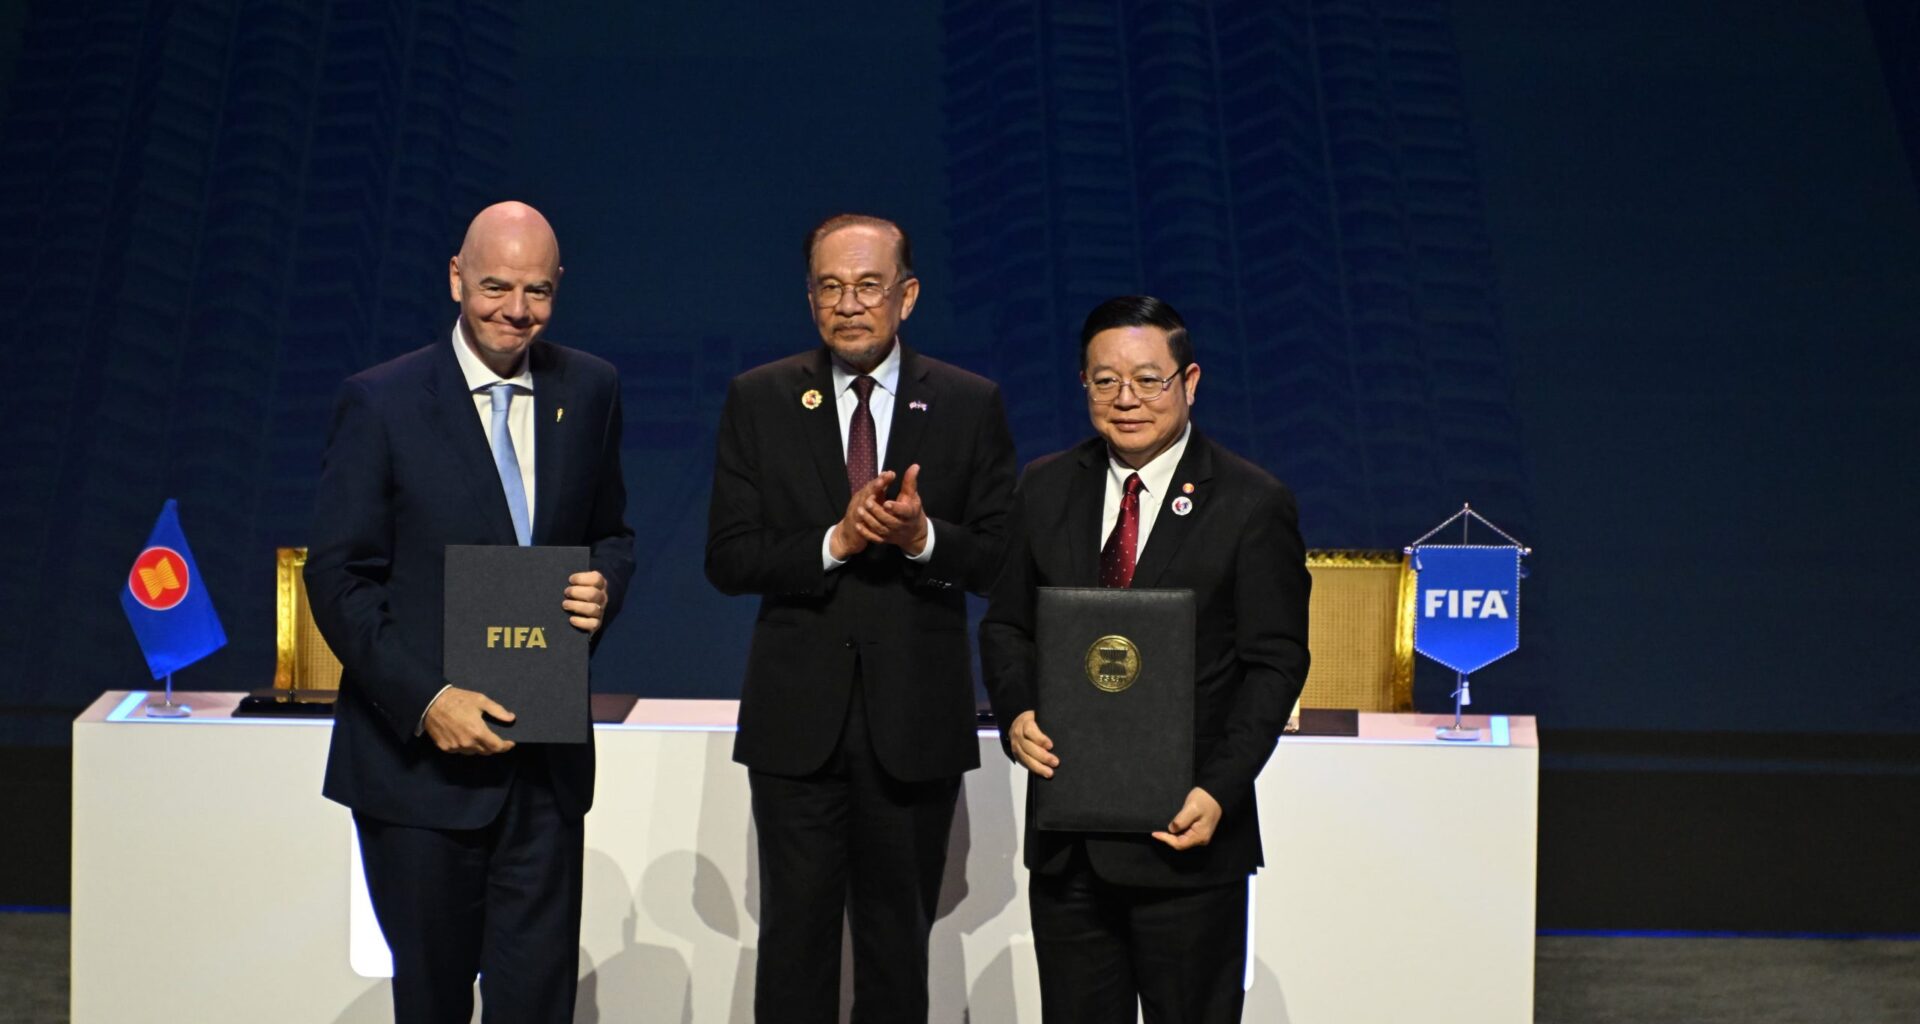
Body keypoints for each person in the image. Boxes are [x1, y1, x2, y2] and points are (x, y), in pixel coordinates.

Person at [306, 201, 635, 1023]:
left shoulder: (589, 388)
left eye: (536, 292)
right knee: (433, 1003)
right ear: (456, 277)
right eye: (494, 286)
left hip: (544, 771)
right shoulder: (380, 402)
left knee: (537, 1006)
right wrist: (428, 700)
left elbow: (614, 535)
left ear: (558, 288)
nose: (514, 311)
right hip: (419, 774)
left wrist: (603, 584)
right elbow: (339, 579)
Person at [705, 213, 1017, 1021]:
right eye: (830, 287)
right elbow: (729, 559)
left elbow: (997, 559)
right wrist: (834, 541)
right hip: (795, 727)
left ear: (906, 296)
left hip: (913, 725)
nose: (849, 304)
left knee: (895, 952)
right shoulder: (760, 397)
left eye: (868, 286)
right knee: (794, 948)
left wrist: (922, 538)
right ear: (810, 297)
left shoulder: (967, 403)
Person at [979, 296, 1310, 1023]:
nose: (1126, 399)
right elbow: (1006, 627)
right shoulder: (1044, 487)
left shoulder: (1253, 503)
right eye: (1104, 381)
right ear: (1084, 386)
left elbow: (1276, 663)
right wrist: (1017, 712)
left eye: (1148, 379)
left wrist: (1220, 789)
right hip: (1069, 843)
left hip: (1186, 834)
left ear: (1190, 381)